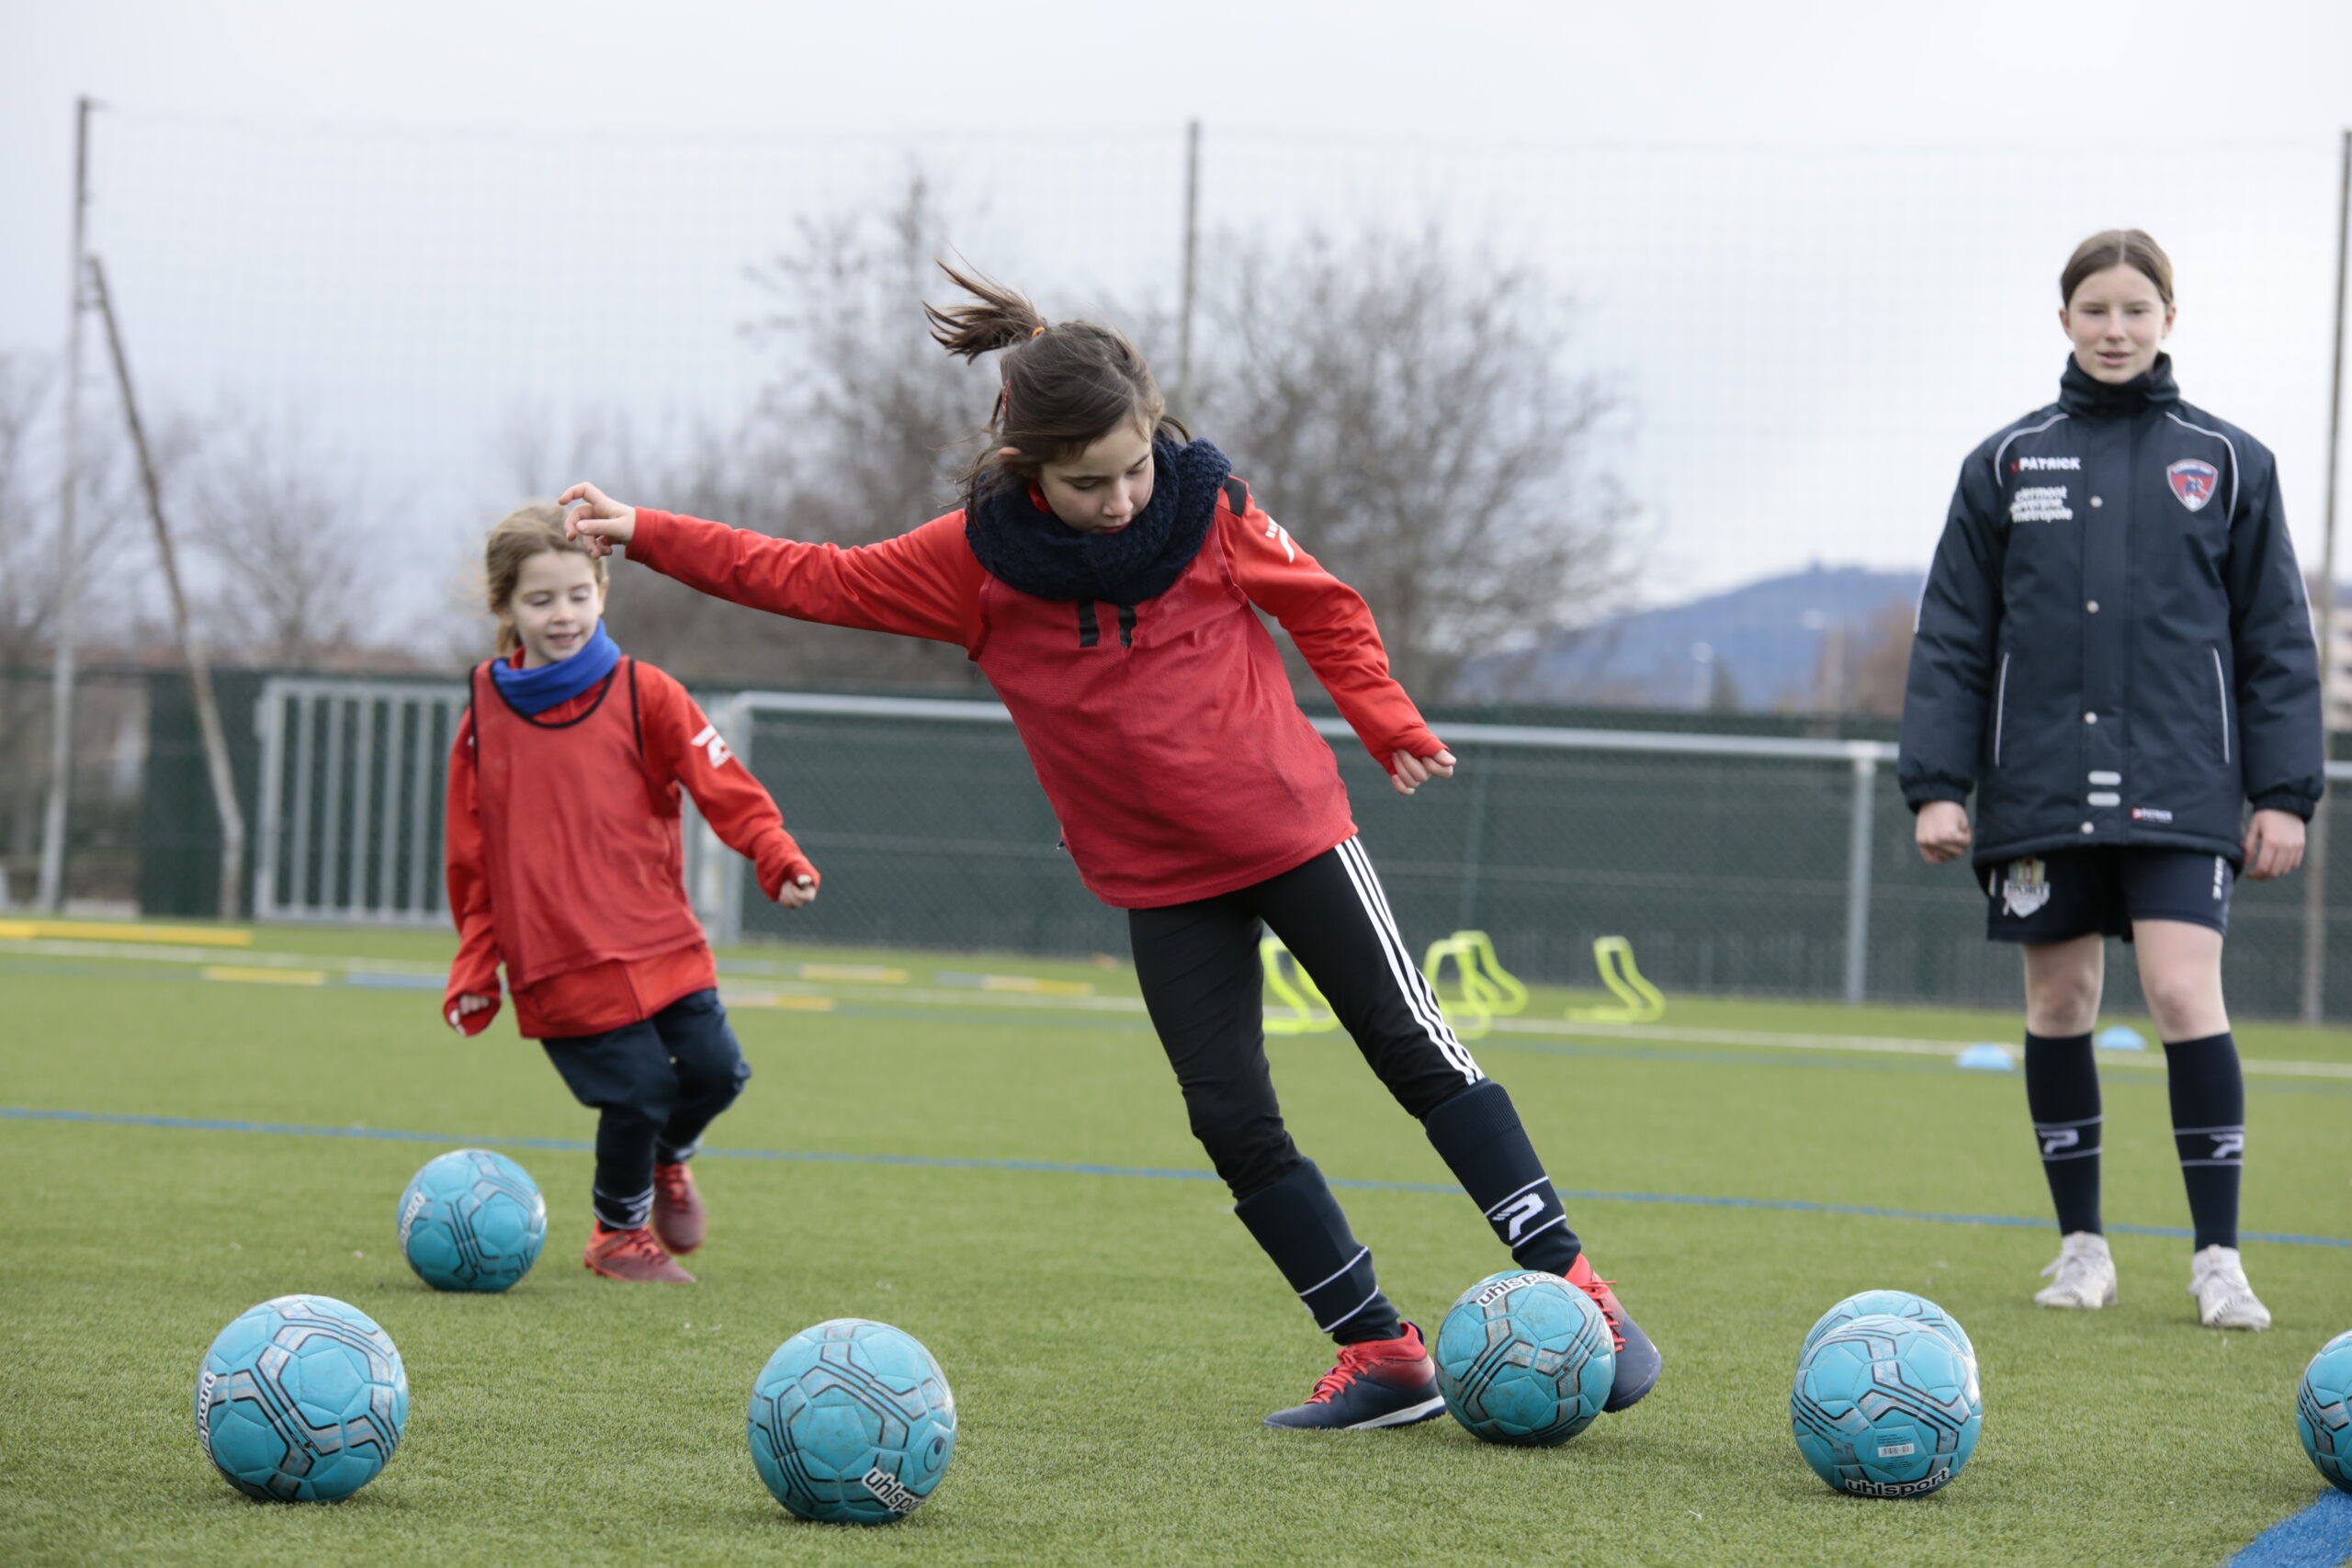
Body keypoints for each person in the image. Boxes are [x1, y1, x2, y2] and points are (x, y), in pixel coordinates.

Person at [559, 265, 1661, 1427]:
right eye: (1091, 482)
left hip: (1293, 834)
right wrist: (646, 532)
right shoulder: (972, 564)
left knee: (1410, 1046)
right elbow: (811, 579)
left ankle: (1576, 1286)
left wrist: (1386, 717)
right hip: (1160, 884)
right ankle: (1379, 1353)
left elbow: (1323, 605)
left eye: (1136, 465)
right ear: (1027, 465)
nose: (1126, 497)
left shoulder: (1209, 505)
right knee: (1229, 1119)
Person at [1901, 230, 2324, 1330]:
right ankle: (2080, 1247)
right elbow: (1951, 634)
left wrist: (2283, 793)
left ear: (2167, 320)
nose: (2115, 329)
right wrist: (1936, 784)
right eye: (2095, 310)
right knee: (2060, 1001)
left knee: (2186, 994)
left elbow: (2276, 640)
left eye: (2136, 309)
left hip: (2183, 784)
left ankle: (2217, 1259)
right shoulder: (2005, 462)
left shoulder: (2228, 462)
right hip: (2039, 788)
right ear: (2064, 322)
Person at [441, 501, 821, 1283]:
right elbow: (471, 860)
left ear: (603, 591)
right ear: (506, 606)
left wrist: (774, 853)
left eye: (578, 594)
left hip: (661, 944)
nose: (563, 614)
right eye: (540, 599)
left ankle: (667, 1161)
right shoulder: (484, 716)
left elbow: (725, 786)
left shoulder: (647, 693)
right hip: (560, 958)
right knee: (642, 1089)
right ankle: (617, 1235)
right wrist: (477, 965)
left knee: (718, 1073)